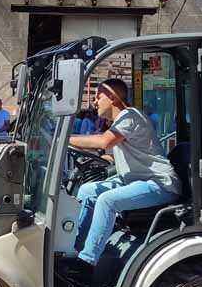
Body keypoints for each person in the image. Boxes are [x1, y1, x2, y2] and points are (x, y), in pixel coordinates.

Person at [68, 79, 180, 270]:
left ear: (112, 97)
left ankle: (86, 263)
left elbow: (105, 142)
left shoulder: (130, 116)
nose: (94, 102)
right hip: (135, 179)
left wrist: (66, 139)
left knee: (107, 200)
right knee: (87, 190)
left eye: (98, 97)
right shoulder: (119, 122)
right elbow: (117, 149)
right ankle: (74, 250)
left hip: (159, 183)